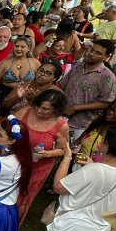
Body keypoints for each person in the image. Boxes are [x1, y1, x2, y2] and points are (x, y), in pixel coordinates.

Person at [16, 89, 69, 223]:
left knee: (23, 197)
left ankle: (13, 225)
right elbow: (6, 130)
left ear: (56, 110)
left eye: (45, 109)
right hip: (15, 160)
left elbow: (63, 150)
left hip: (38, 167)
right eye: (38, 106)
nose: (39, 111)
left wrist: (48, 154)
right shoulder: (25, 112)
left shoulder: (61, 125)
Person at [58, 39, 116, 138]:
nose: (91, 54)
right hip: (61, 118)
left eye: (97, 53)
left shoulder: (107, 76)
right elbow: (63, 86)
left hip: (83, 126)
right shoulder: (77, 67)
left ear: (106, 57)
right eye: (91, 49)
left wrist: (76, 107)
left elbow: (107, 102)